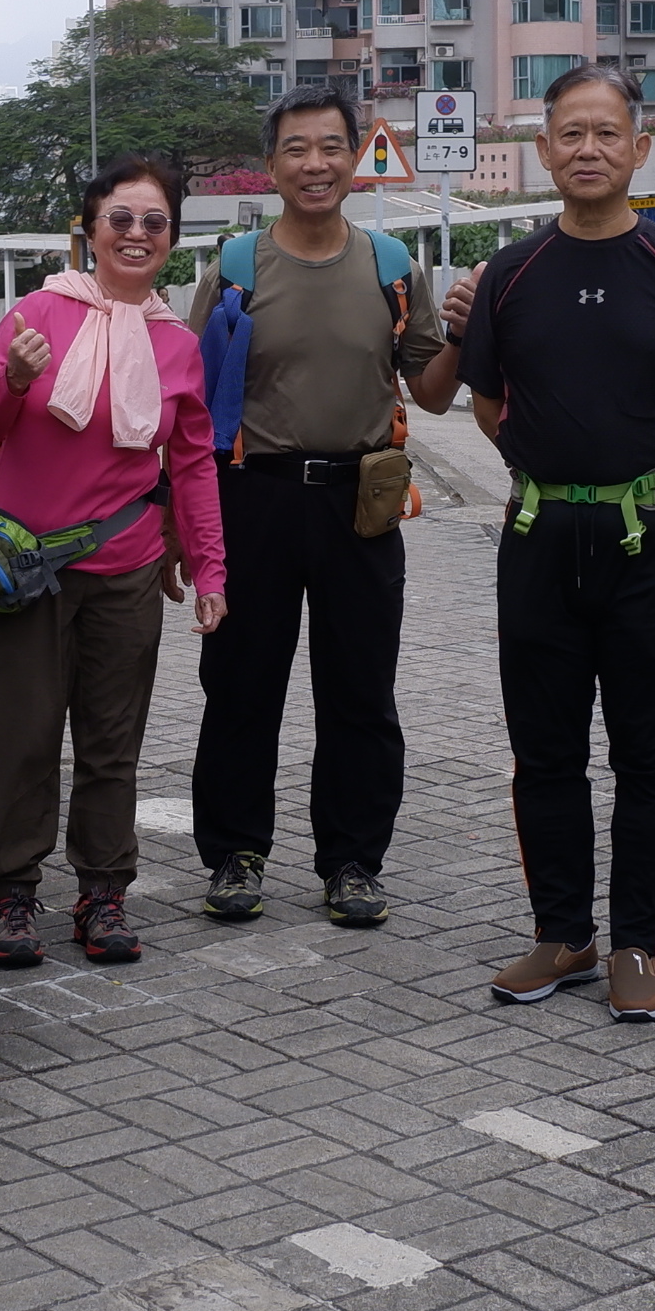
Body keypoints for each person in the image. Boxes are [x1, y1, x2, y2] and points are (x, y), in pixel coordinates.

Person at [449, 67, 655, 1025]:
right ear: (544, 150)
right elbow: (489, 406)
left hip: (654, 541)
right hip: (538, 537)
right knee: (543, 750)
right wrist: (556, 478)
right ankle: (563, 933)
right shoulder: (511, 273)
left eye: (607, 133)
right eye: (570, 134)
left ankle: (636, 944)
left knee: (646, 751)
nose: (588, 149)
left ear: (638, 148)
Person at [187, 86, 465, 927]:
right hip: (254, 499)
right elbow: (194, 408)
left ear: (357, 158)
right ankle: (235, 854)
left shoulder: (391, 265)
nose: (316, 164)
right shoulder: (236, 267)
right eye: (297, 149)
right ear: (271, 166)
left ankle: (352, 862)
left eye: (332, 147)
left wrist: (465, 334)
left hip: (361, 506)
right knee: (240, 687)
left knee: (360, 693)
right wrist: (183, 527)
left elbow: (432, 392)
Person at [0, 156, 229, 968]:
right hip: (25, 570)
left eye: (154, 222)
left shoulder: (177, 343)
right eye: (121, 218)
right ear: (90, 229)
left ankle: (103, 895)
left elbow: (193, 464)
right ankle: (12, 895)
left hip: (127, 569)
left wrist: (210, 569)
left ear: (171, 237)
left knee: (112, 744)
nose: (137, 234)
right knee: (19, 738)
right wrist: (14, 379)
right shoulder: (38, 311)